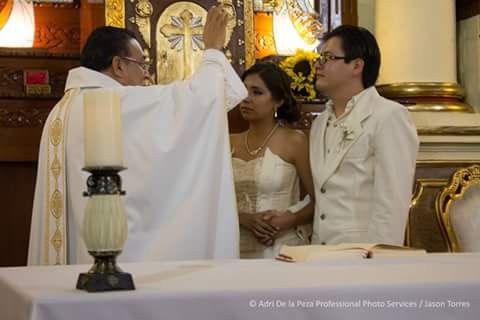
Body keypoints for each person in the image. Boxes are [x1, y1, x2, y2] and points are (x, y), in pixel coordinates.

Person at [28, 6, 248, 265]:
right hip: (111, 258)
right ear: (118, 65)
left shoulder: (63, 109)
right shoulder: (111, 102)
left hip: (72, 252)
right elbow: (200, 102)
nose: (146, 74)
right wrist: (212, 51)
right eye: (141, 64)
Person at [310, 25, 419, 246]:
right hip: (320, 253)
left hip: (362, 253)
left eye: (329, 57)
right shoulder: (319, 123)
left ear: (357, 65)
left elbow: (392, 200)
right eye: (319, 57)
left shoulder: (388, 116)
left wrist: (379, 261)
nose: (318, 64)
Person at [230, 62, 315, 258]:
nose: (246, 99)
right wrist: (242, 218)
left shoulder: (295, 141)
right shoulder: (227, 142)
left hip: (281, 247)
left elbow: (318, 199)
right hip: (234, 248)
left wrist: (289, 219)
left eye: (257, 92)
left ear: (278, 101)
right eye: (243, 91)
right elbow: (211, 200)